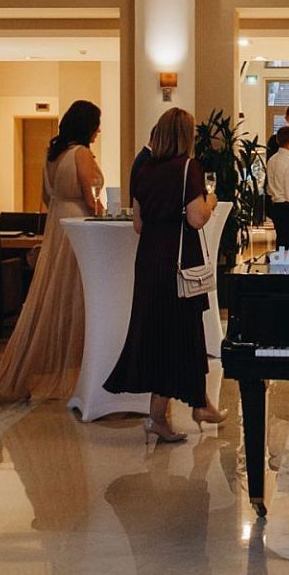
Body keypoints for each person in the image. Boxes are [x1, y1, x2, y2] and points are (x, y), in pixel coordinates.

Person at [105, 107, 223, 442]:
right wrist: (211, 200)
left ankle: (199, 404)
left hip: (150, 261)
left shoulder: (144, 168)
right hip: (178, 262)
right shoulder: (188, 168)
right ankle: (165, 415)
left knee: (166, 333)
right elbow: (197, 217)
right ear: (186, 136)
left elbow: (138, 223)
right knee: (179, 333)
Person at [0, 100, 104, 401]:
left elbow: (45, 195)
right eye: (96, 124)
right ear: (87, 125)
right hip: (78, 225)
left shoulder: (52, 154)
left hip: (58, 221)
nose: (99, 130)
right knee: (76, 295)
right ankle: (75, 369)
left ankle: (52, 365)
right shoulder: (80, 154)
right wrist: (106, 217)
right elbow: (90, 196)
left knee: (55, 292)